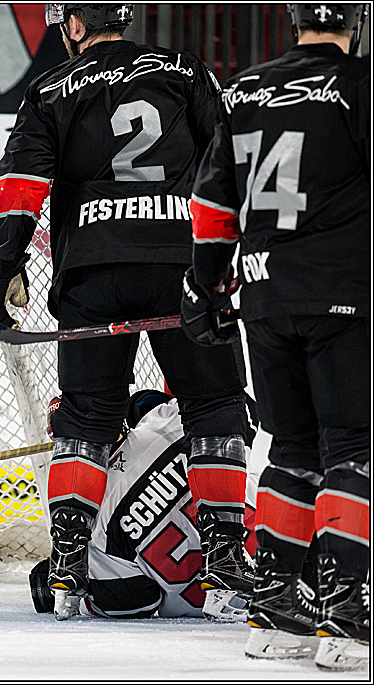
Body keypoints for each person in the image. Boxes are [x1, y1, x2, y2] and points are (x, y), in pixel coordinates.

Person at [0, 4, 254, 621]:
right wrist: (237, 258)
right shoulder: (185, 69)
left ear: (75, 23)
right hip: (182, 266)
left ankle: (69, 569)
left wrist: (2, 266)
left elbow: (21, 185)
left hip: (91, 269)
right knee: (213, 405)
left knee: (86, 417)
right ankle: (227, 566)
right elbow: (231, 164)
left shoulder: (49, 88)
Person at [183, 3, 370, 670]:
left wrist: (206, 282)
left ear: (294, 21)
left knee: (292, 448)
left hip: (263, 296)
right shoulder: (358, 84)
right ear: (356, 23)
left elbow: (211, 201)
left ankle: (274, 610)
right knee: (353, 446)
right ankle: (345, 616)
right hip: (344, 293)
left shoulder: (244, 89)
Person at [29, 390, 262, 621]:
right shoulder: (168, 420)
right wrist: (158, 404)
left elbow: (134, 603)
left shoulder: (94, 533)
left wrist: (81, 590)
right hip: (273, 569)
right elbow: (237, 406)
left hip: (222, 601)